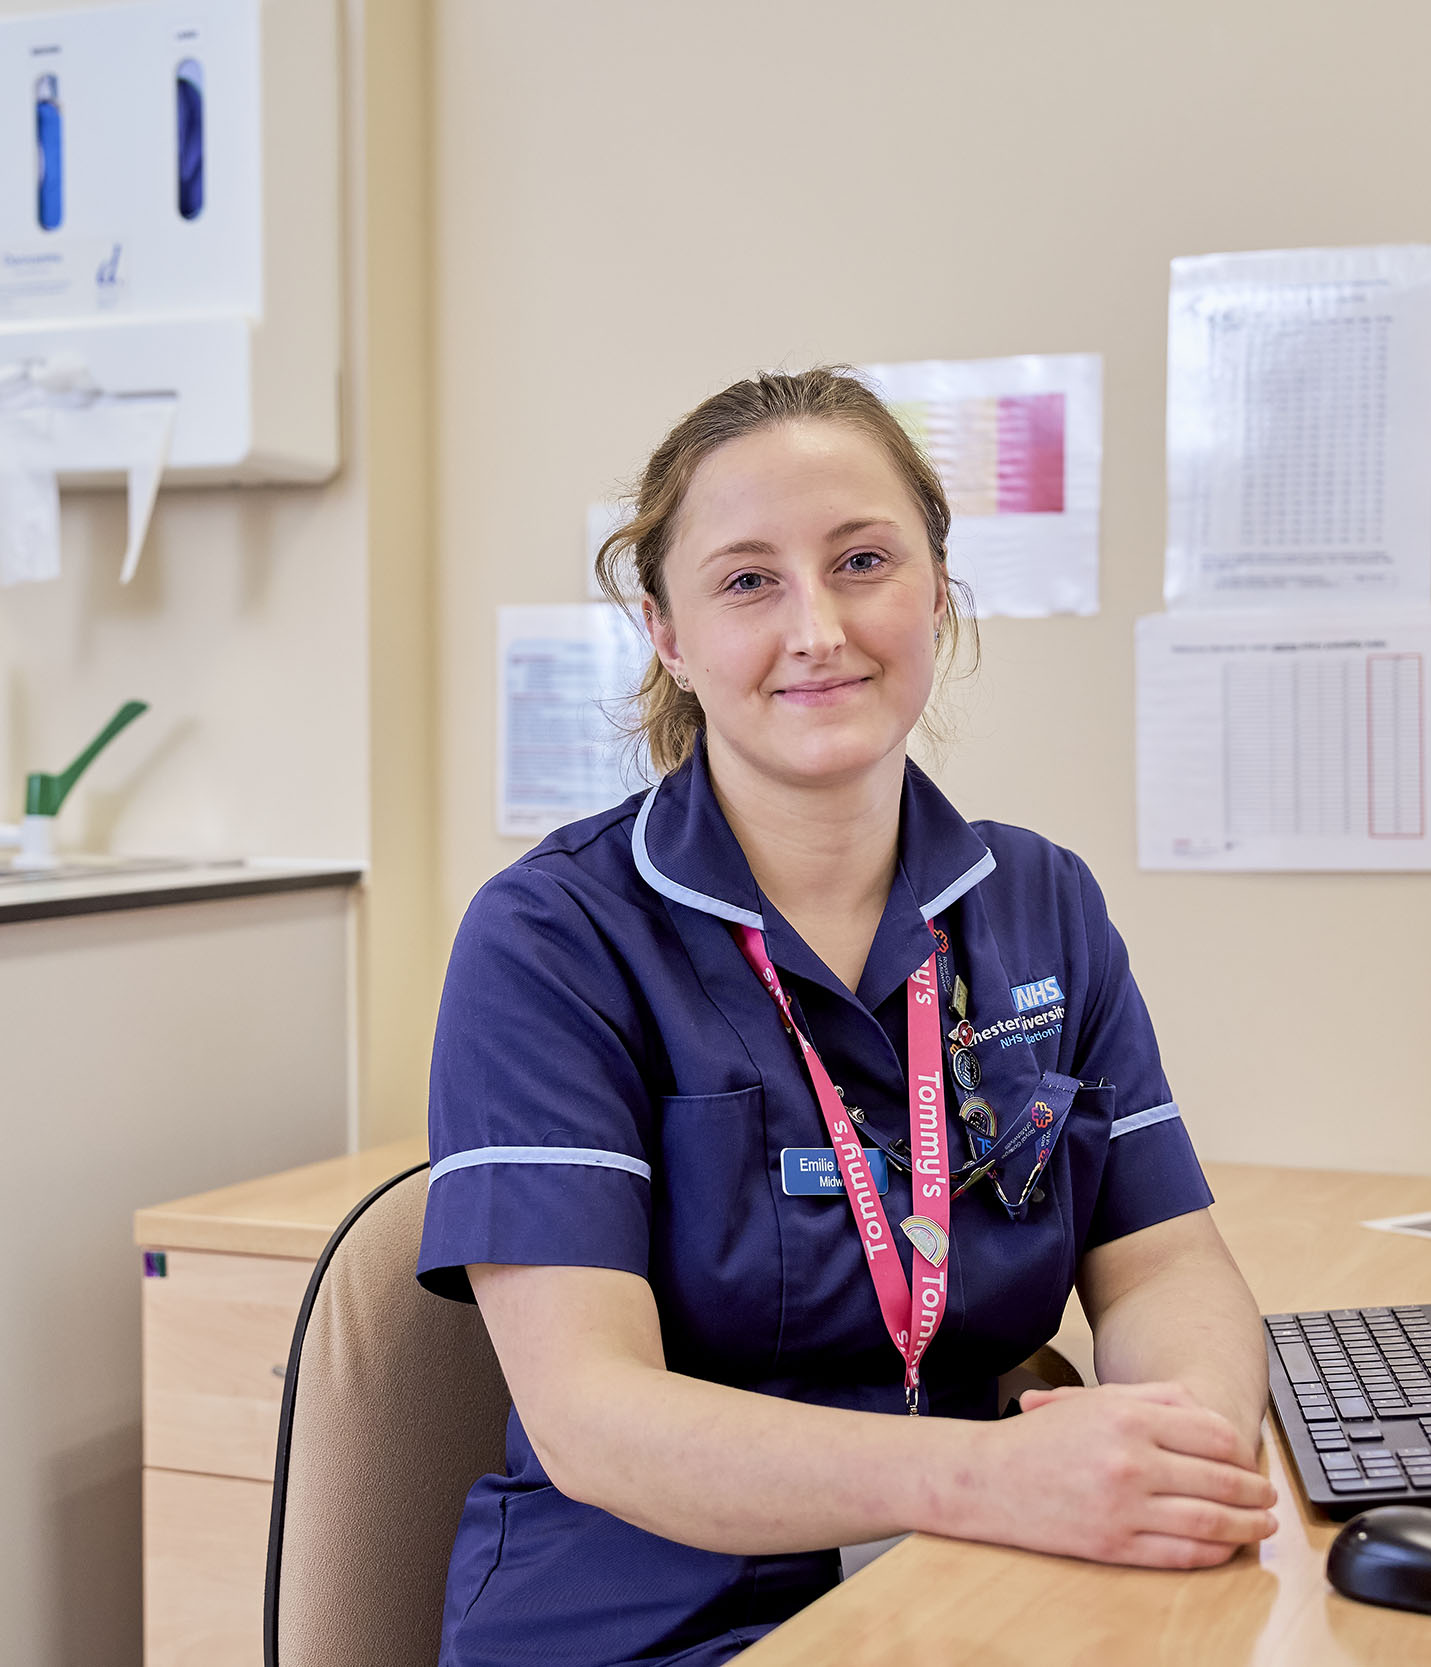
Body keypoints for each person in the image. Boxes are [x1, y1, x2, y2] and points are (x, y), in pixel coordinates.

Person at [416, 368, 1278, 1667]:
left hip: (974, 1578)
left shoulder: (1039, 901)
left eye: (862, 560)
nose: (817, 628)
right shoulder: (553, 939)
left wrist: (1176, 1453)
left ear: (935, 584)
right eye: (749, 580)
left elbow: (1162, 1260)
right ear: (666, 631)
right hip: (661, 1612)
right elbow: (594, 1413)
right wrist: (995, 1481)